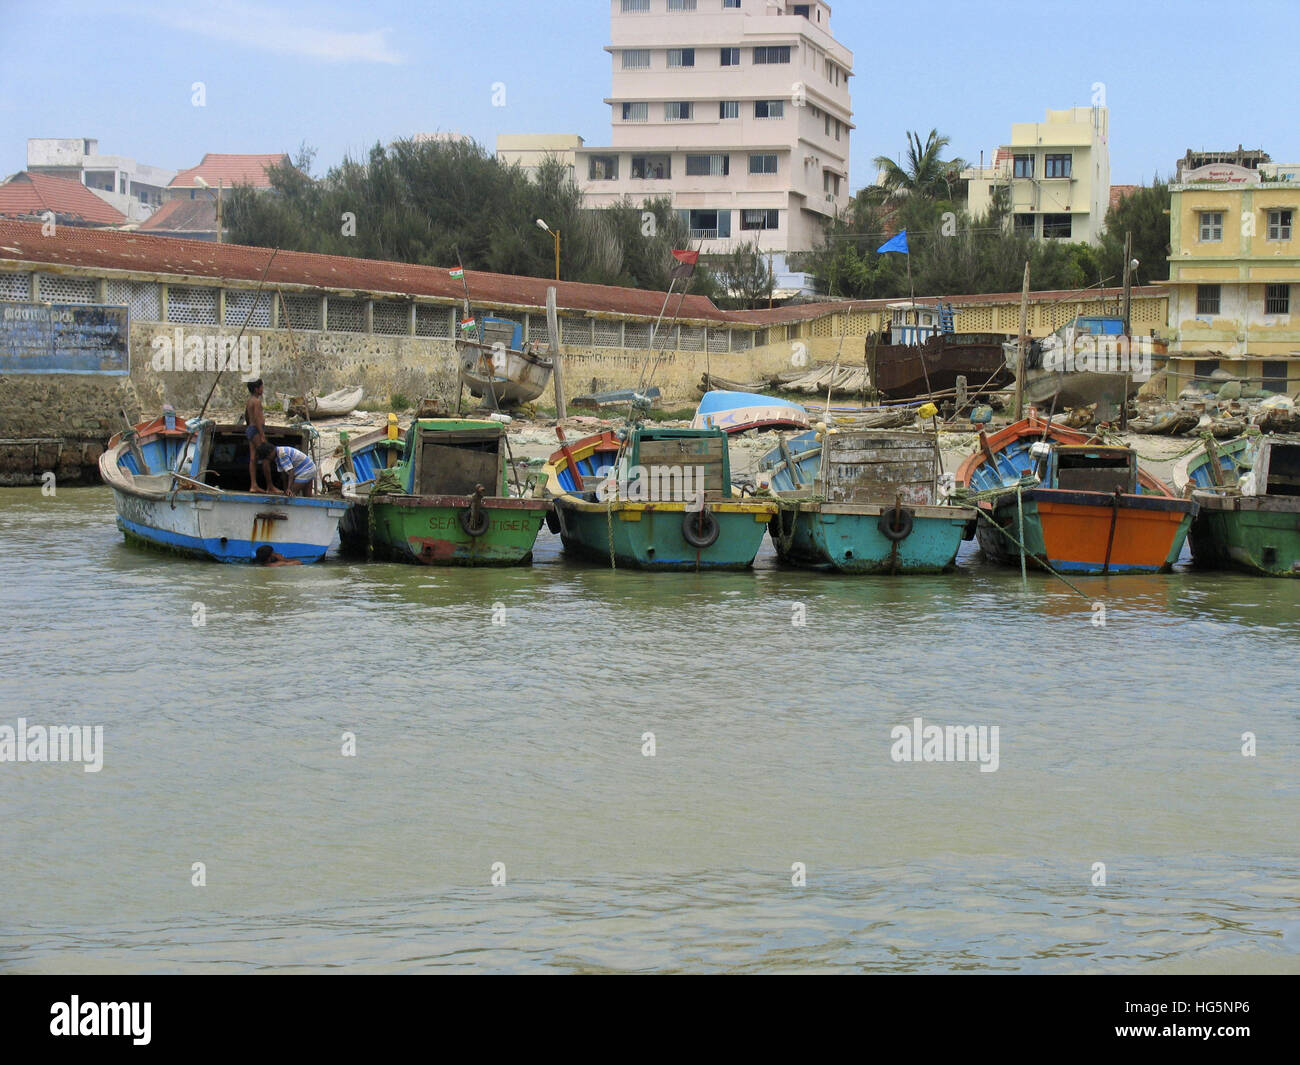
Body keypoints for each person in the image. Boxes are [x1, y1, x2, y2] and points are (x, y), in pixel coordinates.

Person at [245, 379, 272, 493]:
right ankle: (270, 486)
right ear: (256, 389)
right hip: (256, 430)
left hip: (250, 429)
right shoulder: (256, 402)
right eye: (261, 387)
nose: (262, 389)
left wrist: (249, 428)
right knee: (266, 456)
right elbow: (257, 419)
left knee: (253, 458)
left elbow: (247, 416)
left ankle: (253, 485)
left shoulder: (249, 401)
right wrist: (262, 435)